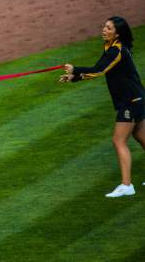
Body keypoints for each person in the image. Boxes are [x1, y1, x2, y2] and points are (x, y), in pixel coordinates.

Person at [60, 16, 145, 198]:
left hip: (131, 100)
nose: (104, 30)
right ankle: (126, 184)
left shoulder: (117, 50)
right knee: (140, 135)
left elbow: (98, 70)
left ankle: (126, 185)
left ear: (117, 33)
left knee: (118, 140)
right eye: (104, 27)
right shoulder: (110, 47)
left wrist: (75, 69)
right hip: (137, 98)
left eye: (108, 28)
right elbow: (100, 68)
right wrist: (74, 77)